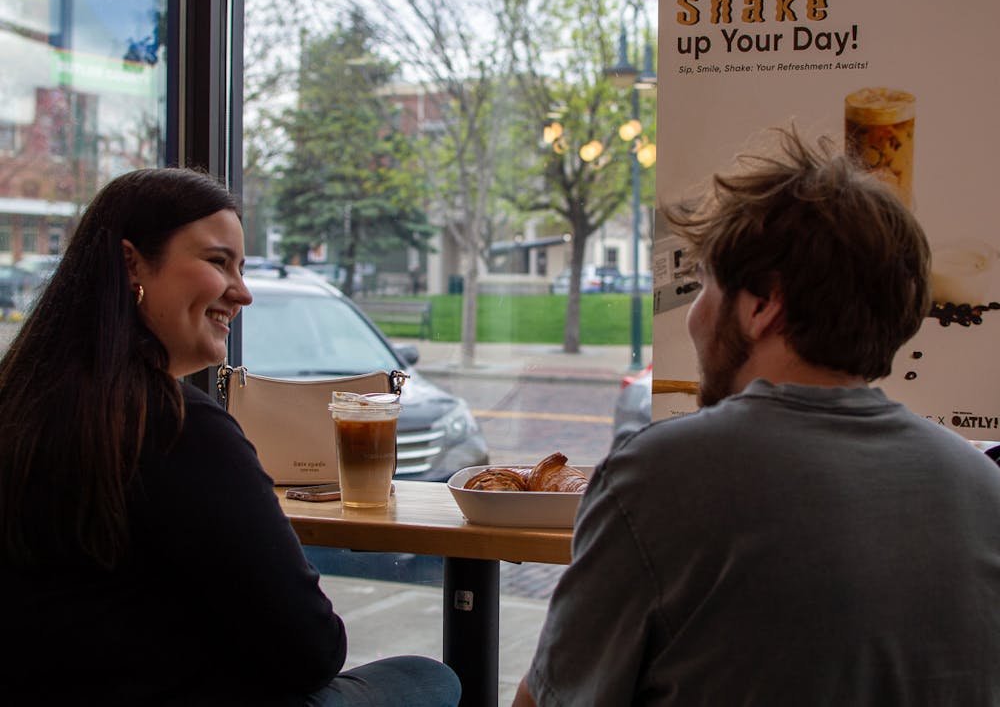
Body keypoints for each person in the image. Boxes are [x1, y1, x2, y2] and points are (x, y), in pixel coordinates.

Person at [514, 128, 1000, 706]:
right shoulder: (982, 489)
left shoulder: (659, 476)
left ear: (762, 304)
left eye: (705, 286)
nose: (694, 317)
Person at [0, 168, 460, 707]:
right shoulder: (181, 428)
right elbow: (311, 650)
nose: (242, 293)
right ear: (132, 263)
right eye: (219, 262)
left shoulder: (22, 404)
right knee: (431, 678)